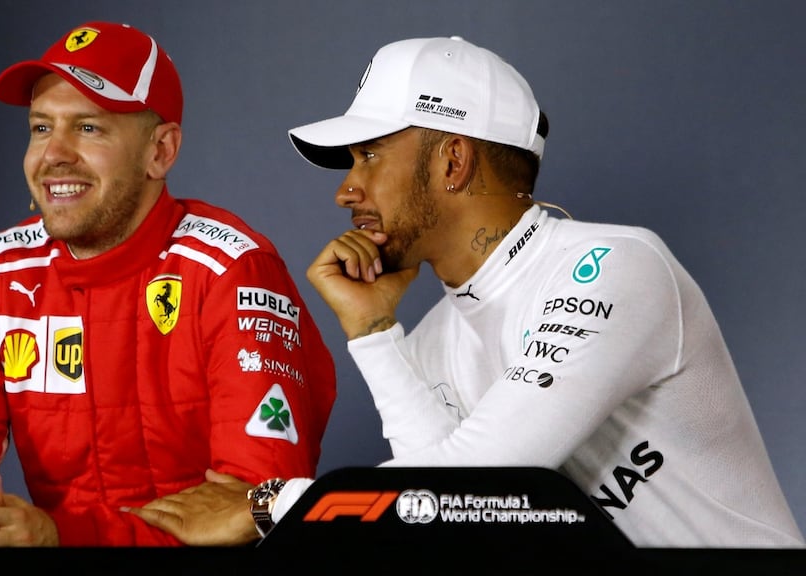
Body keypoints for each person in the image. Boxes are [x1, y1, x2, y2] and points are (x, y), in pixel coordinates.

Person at [130, 35, 805, 548]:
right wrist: (374, 335)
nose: (346, 190)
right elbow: (446, 522)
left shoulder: (615, 265)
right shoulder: (433, 341)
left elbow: (484, 477)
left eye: (369, 155)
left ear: (453, 161)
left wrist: (269, 504)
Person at [0, 21, 336, 548]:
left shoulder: (231, 269)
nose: (54, 154)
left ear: (160, 151)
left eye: (88, 128)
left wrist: (60, 540)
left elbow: (253, 508)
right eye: (40, 127)